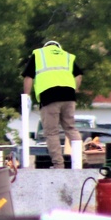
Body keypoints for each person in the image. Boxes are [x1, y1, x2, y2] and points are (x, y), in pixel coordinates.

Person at [22, 40, 83, 169]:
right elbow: (78, 76)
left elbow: (28, 77)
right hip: (69, 96)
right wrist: (75, 89)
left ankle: (59, 166)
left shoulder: (39, 54)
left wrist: (26, 96)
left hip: (49, 96)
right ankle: (79, 162)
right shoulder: (67, 56)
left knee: (51, 132)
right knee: (70, 128)